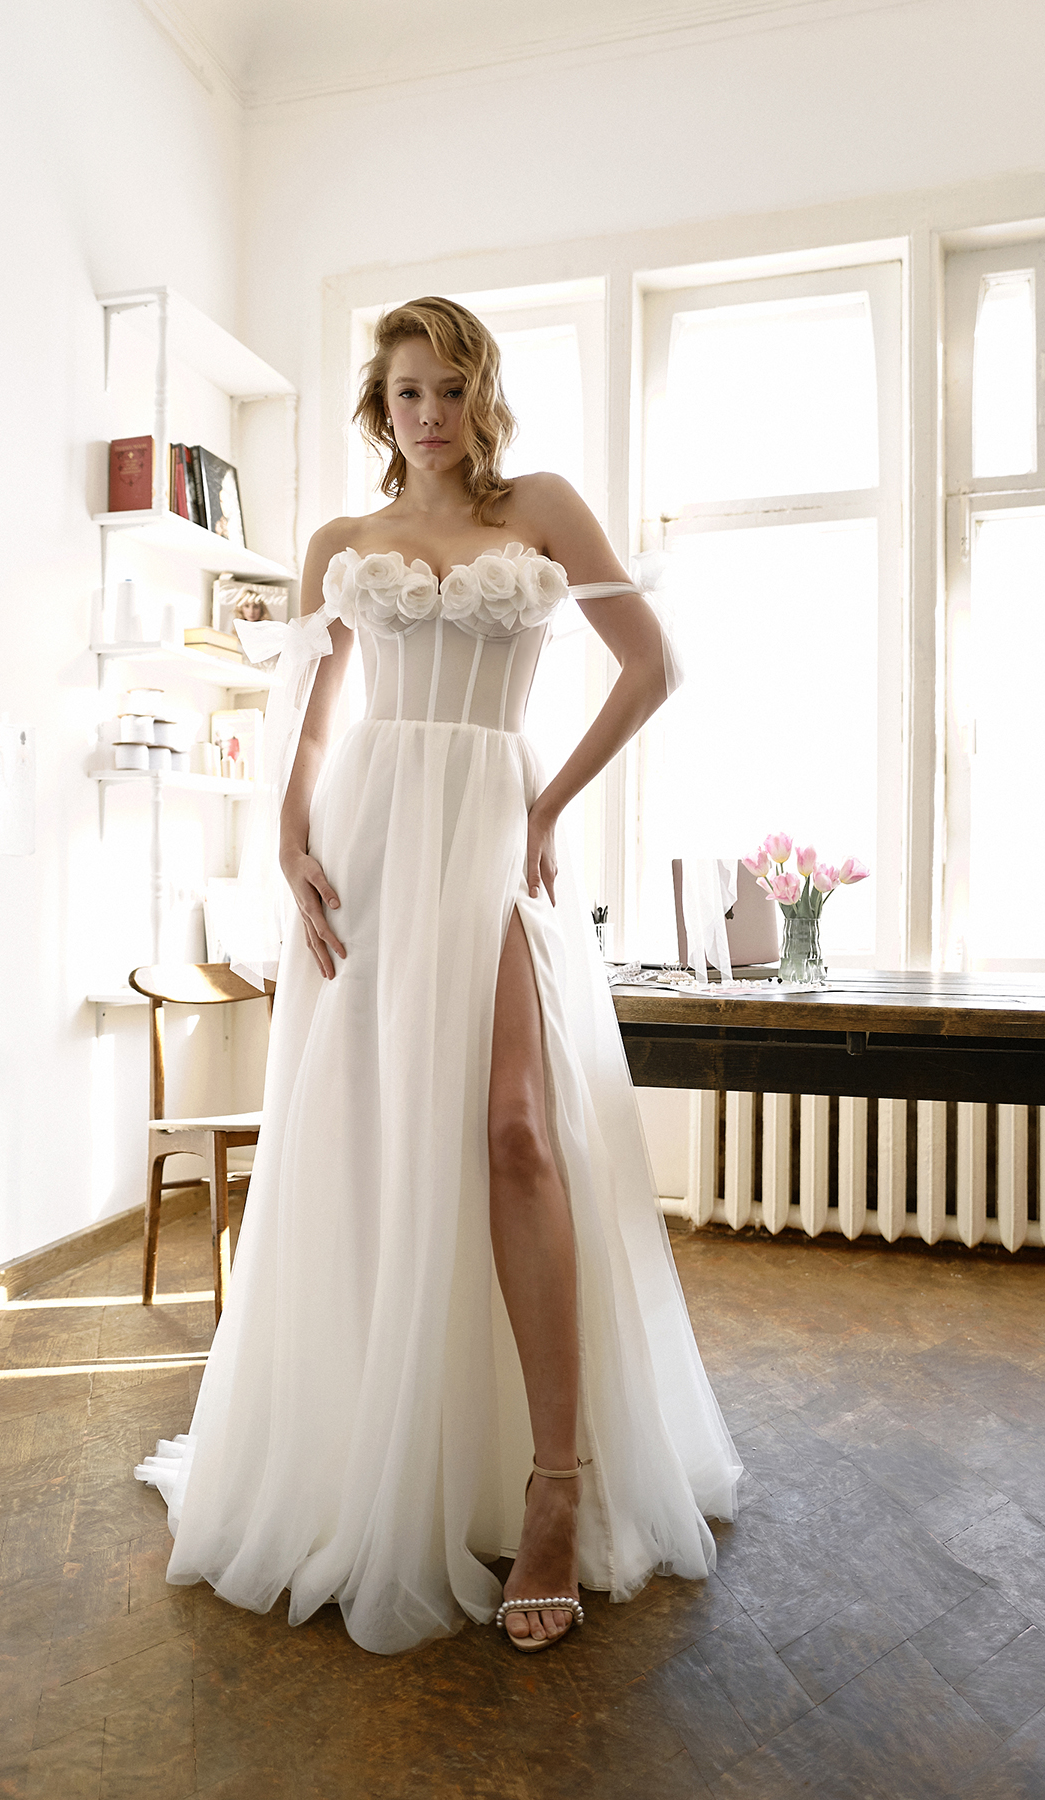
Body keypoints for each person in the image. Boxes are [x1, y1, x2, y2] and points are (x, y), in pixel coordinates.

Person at [136, 296, 741, 1655]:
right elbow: (311, 717)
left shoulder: (543, 508)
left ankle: (555, 1480)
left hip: (491, 839)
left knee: (519, 1132)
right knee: (378, 1146)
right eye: (407, 391)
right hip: (367, 851)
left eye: (451, 388)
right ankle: (385, 1450)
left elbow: (653, 666)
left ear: (483, 395)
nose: (429, 413)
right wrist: (288, 838)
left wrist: (549, 806)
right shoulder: (339, 545)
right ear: (380, 405)